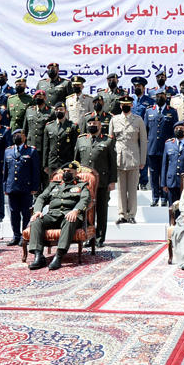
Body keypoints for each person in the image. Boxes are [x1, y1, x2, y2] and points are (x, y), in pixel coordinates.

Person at [27, 161, 91, 271]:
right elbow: (41, 197)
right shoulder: (54, 185)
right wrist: (37, 211)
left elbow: (85, 200)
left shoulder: (82, 185)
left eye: (69, 171)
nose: (66, 173)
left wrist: (76, 211)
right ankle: (38, 256)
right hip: (53, 215)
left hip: (70, 215)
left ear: (76, 173)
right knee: (36, 220)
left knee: (70, 220)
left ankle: (59, 256)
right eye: (64, 171)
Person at [74, 115, 117, 247]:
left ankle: (99, 238)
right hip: (85, 183)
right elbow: (76, 162)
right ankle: (88, 236)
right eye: (90, 123)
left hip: (102, 182)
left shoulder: (108, 140)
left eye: (95, 123)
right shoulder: (81, 140)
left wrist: (112, 181)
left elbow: (113, 163)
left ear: (100, 125)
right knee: (86, 211)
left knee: (101, 211)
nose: (92, 125)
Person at [109, 96, 147, 224]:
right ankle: (122, 214)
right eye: (123, 104)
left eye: (128, 104)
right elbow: (110, 142)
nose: (125, 106)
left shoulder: (138, 120)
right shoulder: (114, 120)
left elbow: (143, 141)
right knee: (120, 189)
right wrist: (111, 161)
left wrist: (142, 160)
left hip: (133, 158)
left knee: (132, 189)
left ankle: (131, 215)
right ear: (120, 106)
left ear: (131, 105)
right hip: (119, 158)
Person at [3, 129, 41, 246]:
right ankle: (16, 236)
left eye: (19, 135)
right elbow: (5, 171)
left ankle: (25, 236)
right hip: (12, 187)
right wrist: (5, 187)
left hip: (26, 187)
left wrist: (35, 187)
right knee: (14, 213)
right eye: (15, 135)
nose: (17, 137)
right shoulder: (8, 151)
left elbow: (36, 171)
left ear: (24, 137)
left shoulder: (31, 151)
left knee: (26, 213)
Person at [144, 88, 177, 207]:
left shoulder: (172, 111)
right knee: (153, 174)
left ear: (166, 96)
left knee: (165, 174)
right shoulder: (149, 111)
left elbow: (174, 131)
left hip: (166, 149)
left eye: (162, 95)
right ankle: (155, 197)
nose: (159, 97)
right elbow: (145, 130)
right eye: (157, 96)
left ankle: (164, 197)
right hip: (152, 148)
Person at [41, 102, 79, 178]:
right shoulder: (49, 126)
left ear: (66, 111)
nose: (59, 111)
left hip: (67, 162)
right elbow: (46, 147)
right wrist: (45, 165)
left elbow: (75, 147)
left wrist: (75, 163)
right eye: (57, 109)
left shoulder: (72, 126)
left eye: (61, 109)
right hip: (53, 163)